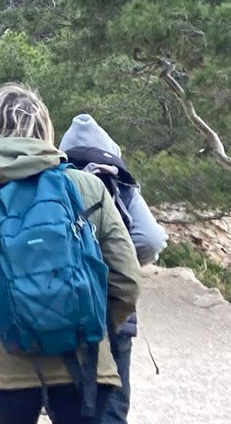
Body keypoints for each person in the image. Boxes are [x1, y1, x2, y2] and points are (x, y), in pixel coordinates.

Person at [0, 84, 142, 424]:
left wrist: (2, 327)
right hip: (85, 359)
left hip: (6, 368)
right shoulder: (87, 186)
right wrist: (92, 326)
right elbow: (126, 280)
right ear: (46, 128)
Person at [60, 114, 168, 424]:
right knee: (112, 407)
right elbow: (149, 240)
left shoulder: (54, 179)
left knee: (68, 404)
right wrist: (121, 263)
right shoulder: (119, 182)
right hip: (114, 312)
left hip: (63, 306)